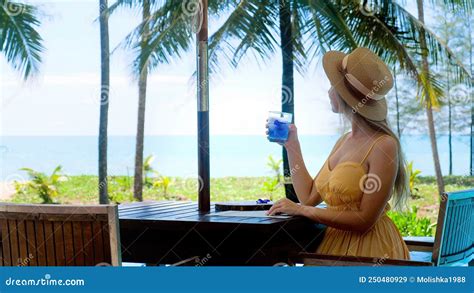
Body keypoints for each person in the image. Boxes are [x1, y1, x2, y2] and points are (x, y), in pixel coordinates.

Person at [266, 47, 410, 259]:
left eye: (333, 85)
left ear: (345, 96)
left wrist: (301, 210)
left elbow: (365, 221)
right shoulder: (344, 141)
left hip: (369, 252)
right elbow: (308, 197)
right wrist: (291, 146)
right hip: (333, 247)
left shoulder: (384, 145)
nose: (329, 91)